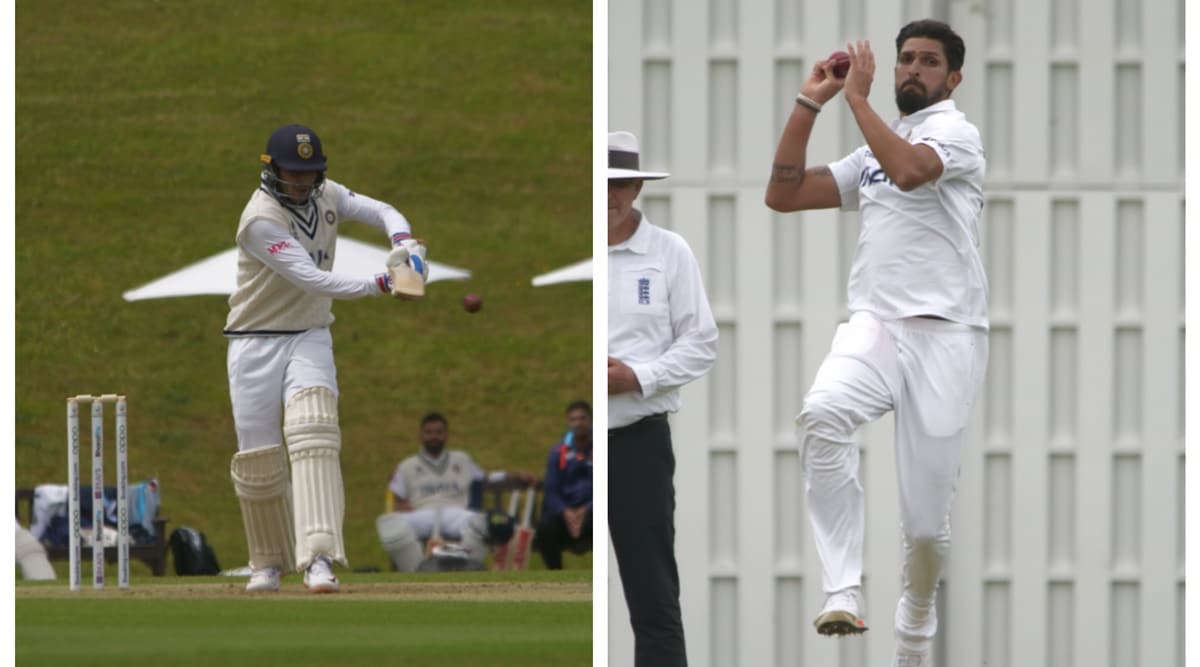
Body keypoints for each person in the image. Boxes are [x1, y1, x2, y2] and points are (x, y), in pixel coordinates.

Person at [764, 20, 987, 667]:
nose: (913, 70)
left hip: (947, 335)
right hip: (877, 324)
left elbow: (912, 172)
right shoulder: (870, 155)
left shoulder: (954, 133)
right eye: (905, 60)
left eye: (928, 61)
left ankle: (914, 622)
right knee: (823, 411)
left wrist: (856, 100)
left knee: (923, 529)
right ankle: (843, 587)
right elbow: (783, 193)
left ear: (953, 78)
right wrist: (811, 102)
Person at [225, 124, 429, 594]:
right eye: (292, 174)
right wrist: (383, 283)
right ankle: (268, 563)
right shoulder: (260, 220)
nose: (301, 182)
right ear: (271, 169)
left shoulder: (327, 194)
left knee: (314, 429)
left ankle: (318, 559)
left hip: (310, 335)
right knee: (259, 457)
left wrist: (404, 242)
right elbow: (312, 279)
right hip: (254, 341)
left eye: (309, 173)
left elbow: (382, 210)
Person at [607, 130, 719, 667]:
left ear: (635, 187)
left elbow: (702, 344)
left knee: (653, 596)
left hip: (637, 442)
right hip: (574, 444)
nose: (609, 195)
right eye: (600, 184)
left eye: (620, 184)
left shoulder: (668, 251)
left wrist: (639, 377)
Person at [376, 412, 535, 571]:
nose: (434, 436)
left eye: (439, 432)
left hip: (456, 514)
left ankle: (468, 566)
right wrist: (403, 509)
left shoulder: (461, 459)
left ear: (446, 435)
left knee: (487, 523)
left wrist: (514, 475)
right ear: (420, 435)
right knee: (388, 524)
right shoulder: (407, 466)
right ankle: (418, 571)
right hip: (423, 514)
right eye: (429, 432)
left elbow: (486, 478)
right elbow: (396, 502)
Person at [535, 400, 593, 569]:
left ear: (589, 420)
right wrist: (566, 512)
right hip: (566, 515)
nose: (578, 423)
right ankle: (556, 576)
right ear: (568, 423)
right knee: (546, 528)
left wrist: (586, 510)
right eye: (573, 419)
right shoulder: (558, 453)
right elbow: (551, 490)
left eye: (582, 418)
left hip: (592, 513)